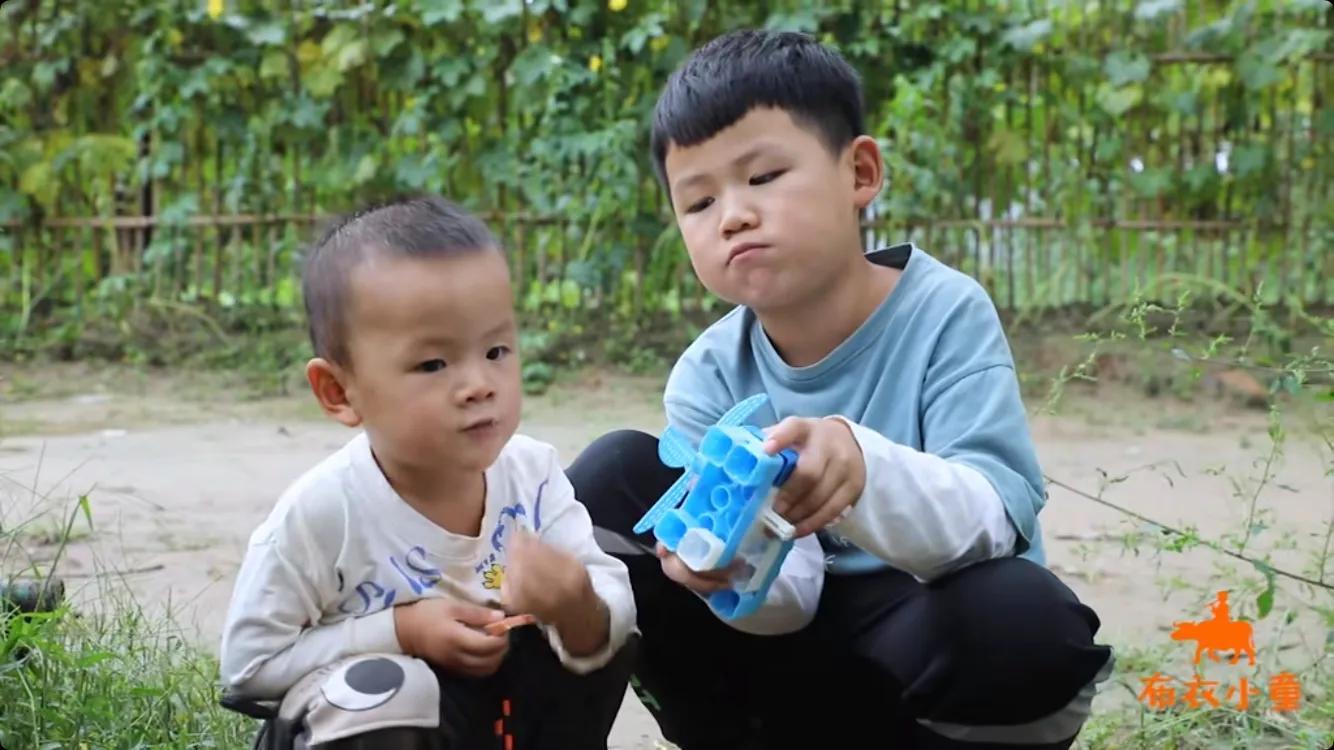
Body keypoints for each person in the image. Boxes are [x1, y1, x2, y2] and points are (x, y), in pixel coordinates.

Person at [568, 28, 1116, 749]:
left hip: (919, 645)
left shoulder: (943, 312)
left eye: (764, 176)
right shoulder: (707, 375)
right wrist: (734, 569)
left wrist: (862, 468)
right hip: (778, 681)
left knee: (1024, 618)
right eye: (698, 203)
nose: (732, 216)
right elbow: (790, 602)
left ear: (859, 172)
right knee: (605, 484)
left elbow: (994, 519)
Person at [218, 195, 637, 749]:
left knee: (598, 625)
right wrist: (401, 631)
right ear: (339, 391)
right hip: (378, 730)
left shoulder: (531, 476)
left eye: (496, 351)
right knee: (388, 691)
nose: (479, 385)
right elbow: (248, 667)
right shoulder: (321, 515)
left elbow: (612, 613)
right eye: (433, 364)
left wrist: (574, 601)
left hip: (497, 721)